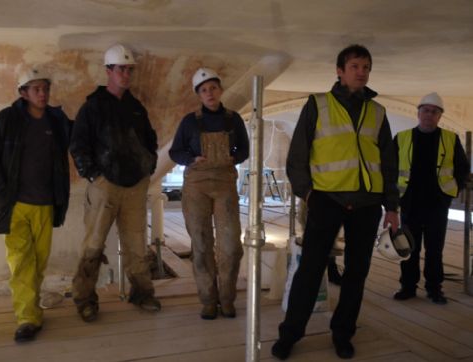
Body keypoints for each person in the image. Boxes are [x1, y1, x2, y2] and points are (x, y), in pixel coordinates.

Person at [271, 44, 400, 360]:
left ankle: (343, 333)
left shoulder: (378, 112)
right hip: (326, 199)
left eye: (366, 67)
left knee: (357, 273)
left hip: (367, 203)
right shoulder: (318, 105)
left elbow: (388, 162)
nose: (362, 72)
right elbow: (298, 155)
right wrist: (309, 194)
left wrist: (392, 206)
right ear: (340, 71)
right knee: (311, 270)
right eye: (355, 66)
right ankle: (290, 334)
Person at [0, 67, 72, 343]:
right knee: (21, 263)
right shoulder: (7, 119)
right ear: (23, 93)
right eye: (36, 89)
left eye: (45, 88)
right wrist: (2, 188)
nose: (42, 94)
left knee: (38, 263)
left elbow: (78, 138)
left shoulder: (56, 120)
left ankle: (32, 311)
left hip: (46, 205)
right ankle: (27, 319)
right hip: (15, 206)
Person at [70, 44, 160, 322]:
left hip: (135, 187)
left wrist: (148, 169)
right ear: (108, 71)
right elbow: (78, 145)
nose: (126, 74)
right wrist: (94, 176)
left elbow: (151, 142)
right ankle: (85, 299)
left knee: (136, 244)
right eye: (121, 69)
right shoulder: (93, 107)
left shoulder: (135, 108)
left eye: (129, 69)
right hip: (104, 186)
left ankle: (142, 293)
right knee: (93, 245)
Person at [169, 68, 249, 320]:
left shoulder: (233, 119)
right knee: (202, 245)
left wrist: (234, 157)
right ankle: (207, 300)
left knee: (230, 245)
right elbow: (175, 152)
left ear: (220, 90)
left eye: (213, 88)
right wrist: (192, 158)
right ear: (199, 95)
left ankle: (226, 299)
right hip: (197, 185)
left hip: (224, 183)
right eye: (204, 90)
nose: (209, 93)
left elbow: (244, 149)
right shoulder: (189, 121)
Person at [393, 92, 469, 305]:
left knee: (435, 249)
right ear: (418, 113)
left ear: (439, 116)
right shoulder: (402, 138)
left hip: (437, 205)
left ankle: (434, 289)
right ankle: (407, 287)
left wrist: (451, 192)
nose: (429, 115)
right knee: (409, 248)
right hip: (410, 203)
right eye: (425, 110)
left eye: (434, 112)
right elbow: (389, 169)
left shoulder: (450, 139)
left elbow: (462, 169)